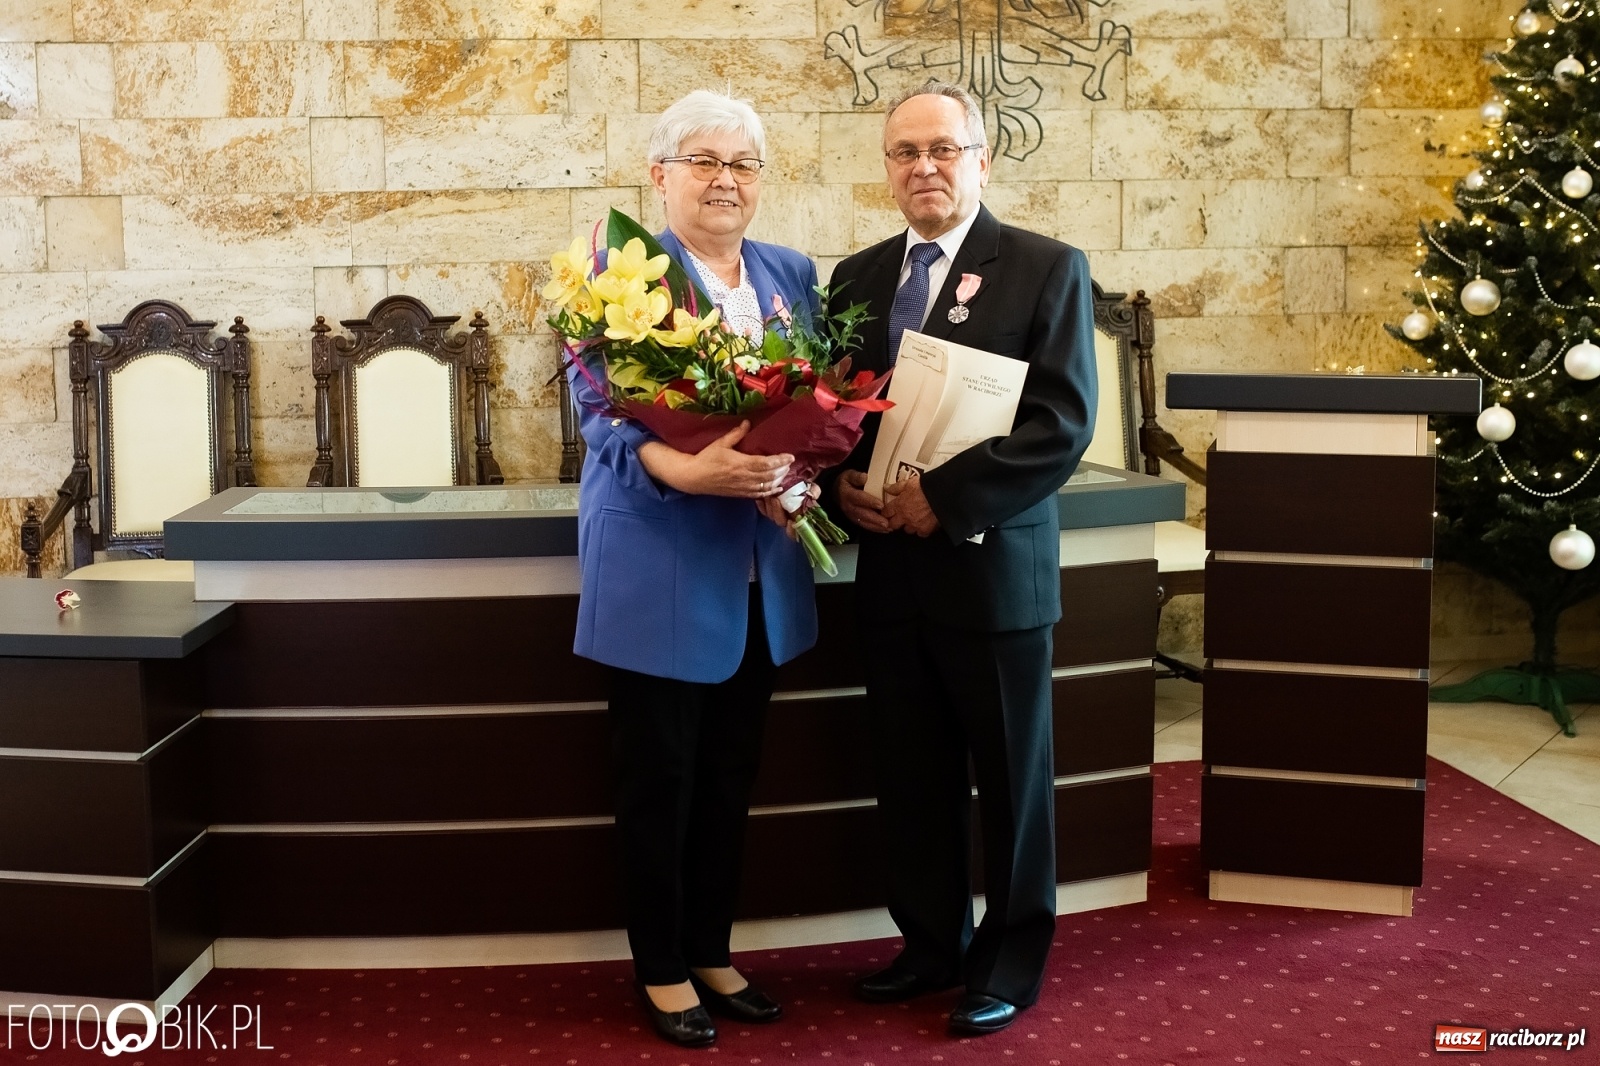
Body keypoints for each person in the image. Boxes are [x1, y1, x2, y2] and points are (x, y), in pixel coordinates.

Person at [824, 80, 1097, 1036]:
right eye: (906, 152)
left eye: (943, 149)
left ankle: (1011, 962)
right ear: (887, 168)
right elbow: (838, 418)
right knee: (913, 776)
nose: (924, 167)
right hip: (891, 575)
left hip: (993, 577)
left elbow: (1062, 424)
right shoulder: (856, 278)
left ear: (982, 160)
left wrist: (943, 497)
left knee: (1012, 781)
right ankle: (931, 944)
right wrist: (840, 483)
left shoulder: (1045, 267)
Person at [566, 90, 820, 1048]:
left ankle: (711, 949)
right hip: (660, 561)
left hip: (763, 569)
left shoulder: (792, 272)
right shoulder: (616, 273)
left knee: (728, 775)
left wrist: (798, 476)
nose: (726, 180)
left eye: (743, 164)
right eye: (704, 161)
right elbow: (601, 412)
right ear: (660, 175)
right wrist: (687, 469)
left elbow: (812, 404)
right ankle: (662, 967)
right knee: (658, 778)